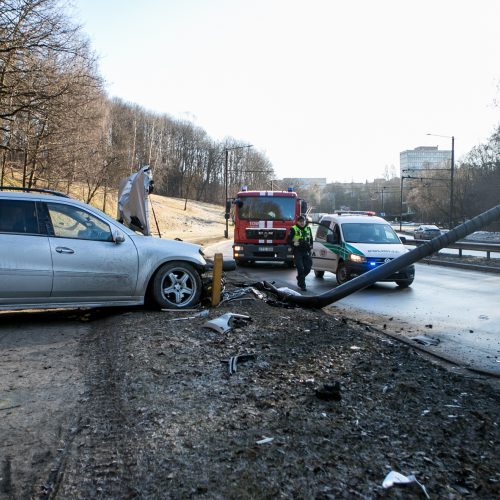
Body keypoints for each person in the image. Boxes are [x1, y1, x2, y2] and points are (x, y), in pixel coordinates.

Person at [288, 215, 313, 291]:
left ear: (305, 221)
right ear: (297, 222)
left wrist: (311, 247)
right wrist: (293, 244)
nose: (302, 223)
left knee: (308, 268)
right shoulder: (293, 229)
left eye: (303, 221)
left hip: (306, 251)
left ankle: (299, 278)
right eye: (300, 221)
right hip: (297, 251)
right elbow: (288, 240)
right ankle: (302, 285)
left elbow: (311, 239)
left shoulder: (308, 228)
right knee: (300, 268)